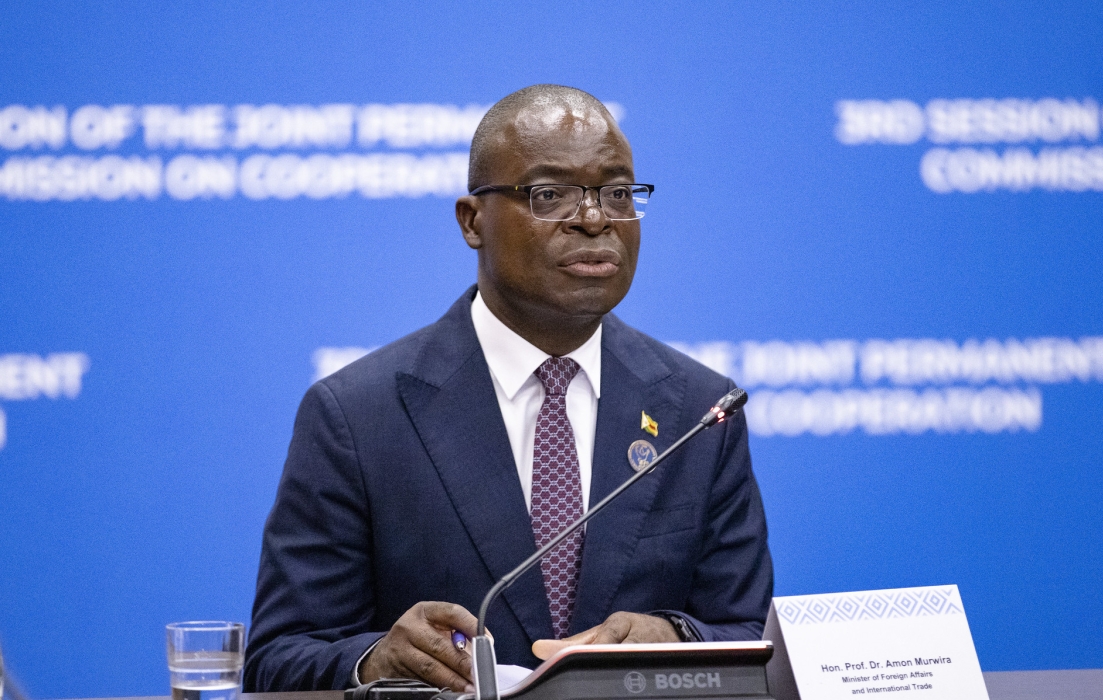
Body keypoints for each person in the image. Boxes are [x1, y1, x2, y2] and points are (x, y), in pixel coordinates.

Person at [244, 84, 773, 692]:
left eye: (618, 193)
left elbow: (750, 636)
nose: (594, 219)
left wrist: (676, 637)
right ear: (472, 221)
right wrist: (377, 660)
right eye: (550, 195)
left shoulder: (701, 410)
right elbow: (278, 662)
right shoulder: (358, 416)